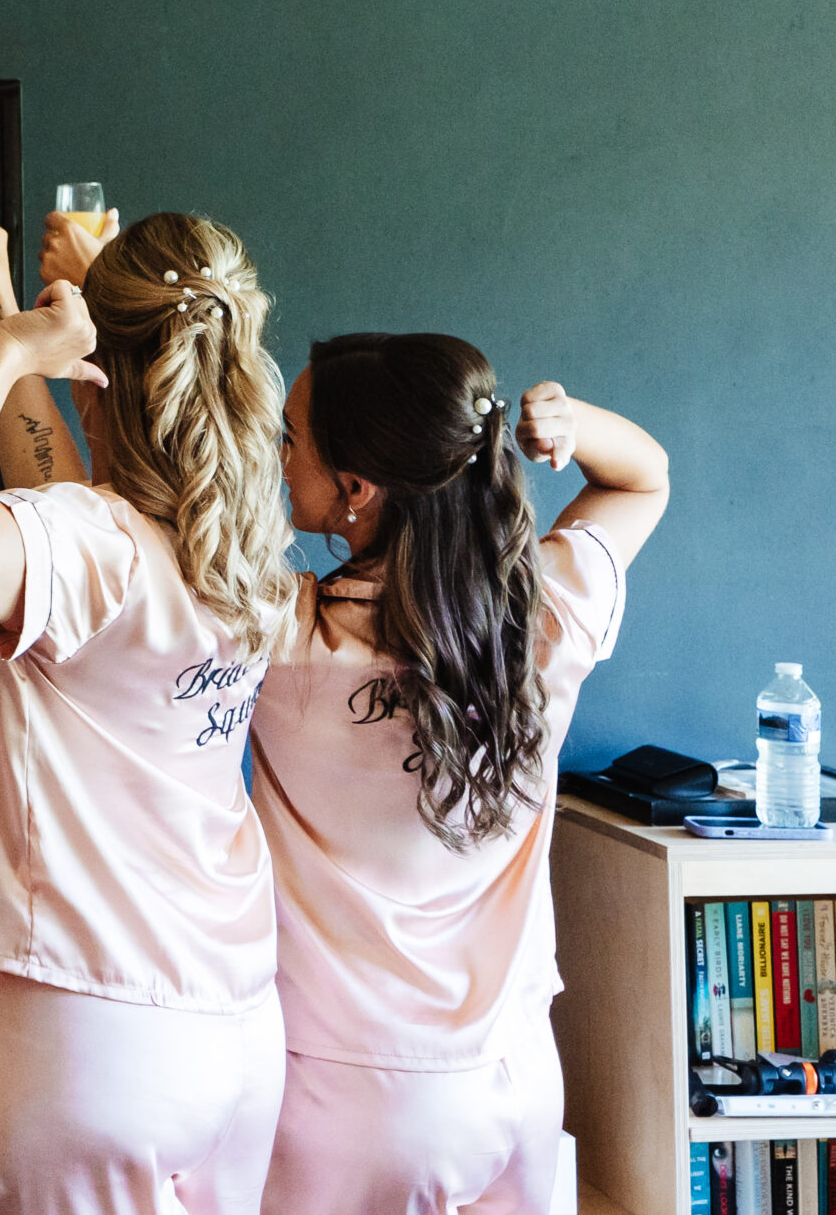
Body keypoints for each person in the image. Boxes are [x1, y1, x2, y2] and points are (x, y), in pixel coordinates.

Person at [0, 206, 298, 1215]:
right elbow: (56, 501)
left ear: (101, 368)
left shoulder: (94, 546)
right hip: (233, 1033)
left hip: (83, 1033)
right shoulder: (240, 540)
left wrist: (8, 350)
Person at [253, 335, 666, 1214]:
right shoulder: (547, 610)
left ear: (357, 490)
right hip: (516, 1081)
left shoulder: (284, 637)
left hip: (348, 1096)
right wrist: (571, 422)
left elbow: (119, 530)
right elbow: (643, 478)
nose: (277, 457)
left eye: (290, 438)